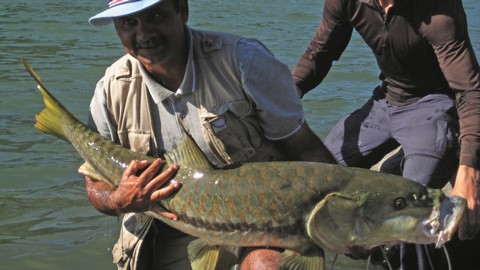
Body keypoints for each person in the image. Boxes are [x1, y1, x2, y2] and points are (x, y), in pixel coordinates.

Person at [83, 0, 336, 269]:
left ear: (182, 10)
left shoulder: (245, 62)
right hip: (166, 228)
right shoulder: (110, 90)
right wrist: (117, 199)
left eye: (155, 15)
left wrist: (341, 221)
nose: (143, 34)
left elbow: (303, 146)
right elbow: (94, 184)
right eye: (128, 23)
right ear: (116, 28)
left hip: (263, 222)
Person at [292, 0, 480, 269]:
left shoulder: (438, 9)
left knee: (413, 203)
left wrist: (469, 171)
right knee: (315, 179)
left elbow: (469, 90)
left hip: (434, 104)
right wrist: (280, 100)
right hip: (385, 100)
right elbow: (318, 55)